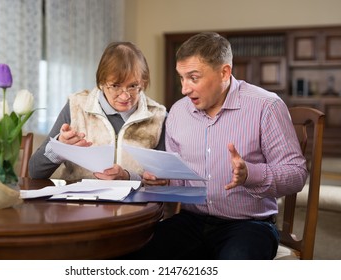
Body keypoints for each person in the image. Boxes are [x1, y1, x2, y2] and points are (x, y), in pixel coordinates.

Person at [138, 32, 308, 260]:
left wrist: (250, 174)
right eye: (181, 78)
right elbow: (180, 180)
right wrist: (164, 179)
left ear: (224, 72)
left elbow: (296, 175)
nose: (184, 89)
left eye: (193, 78)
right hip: (191, 221)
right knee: (133, 256)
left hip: (249, 225)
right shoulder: (179, 111)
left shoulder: (266, 106)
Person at [29, 42, 167, 183]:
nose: (125, 96)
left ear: (143, 83)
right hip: (78, 202)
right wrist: (59, 147)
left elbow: (162, 181)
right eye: (115, 86)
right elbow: (35, 172)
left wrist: (127, 176)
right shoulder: (76, 106)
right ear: (101, 82)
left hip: (136, 204)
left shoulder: (158, 116)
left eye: (133, 86)